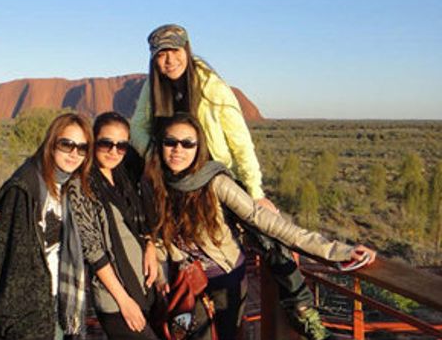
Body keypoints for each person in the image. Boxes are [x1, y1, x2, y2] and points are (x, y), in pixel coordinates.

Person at [130, 23, 333, 339]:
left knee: (267, 234)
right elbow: (138, 128)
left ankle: (302, 310)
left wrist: (255, 191)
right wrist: (155, 156)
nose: (169, 60)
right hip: (177, 176)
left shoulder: (211, 85)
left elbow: (239, 140)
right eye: (161, 54)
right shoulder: (153, 87)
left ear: (187, 49)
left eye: (174, 51)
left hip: (218, 175)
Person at [146, 113, 376, 340]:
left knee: (228, 335)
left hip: (224, 277)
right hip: (186, 280)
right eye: (170, 142)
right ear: (161, 145)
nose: (178, 150)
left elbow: (269, 223)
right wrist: (162, 276)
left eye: (187, 143)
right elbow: (157, 236)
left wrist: (336, 251)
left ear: (199, 148)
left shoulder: (216, 182)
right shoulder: (154, 184)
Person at [0, 112, 93, 340]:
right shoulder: (25, 189)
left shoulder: (69, 185)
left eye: (82, 148)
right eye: (67, 144)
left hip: (60, 299)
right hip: (32, 310)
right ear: (51, 143)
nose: (74, 153)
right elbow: (15, 262)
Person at [70, 112, 160, 339]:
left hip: (142, 288)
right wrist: (124, 301)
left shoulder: (125, 176)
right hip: (115, 300)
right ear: (93, 142)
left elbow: (143, 221)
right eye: (106, 143)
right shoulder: (80, 185)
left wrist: (150, 244)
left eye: (121, 146)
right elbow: (93, 251)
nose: (113, 151)